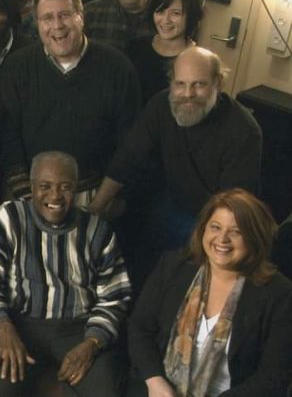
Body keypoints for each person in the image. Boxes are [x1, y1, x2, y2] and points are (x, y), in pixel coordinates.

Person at [89, 47, 262, 281]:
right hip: (172, 202)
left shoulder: (244, 131)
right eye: (180, 84)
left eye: (199, 85)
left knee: (177, 274)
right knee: (129, 247)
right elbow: (128, 158)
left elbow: (231, 209)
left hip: (213, 218)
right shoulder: (162, 105)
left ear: (218, 83)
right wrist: (96, 210)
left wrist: (206, 242)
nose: (187, 94)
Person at [0, 151, 132, 397]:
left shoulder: (97, 230)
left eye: (65, 187)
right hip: (17, 324)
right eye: (45, 186)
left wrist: (92, 343)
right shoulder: (8, 218)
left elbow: (115, 295)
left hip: (78, 329)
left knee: (105, 391)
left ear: (76, 189)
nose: (55, 196)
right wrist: (3, 328)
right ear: (32, 187)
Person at [128, 189, 292, 397]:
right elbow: (140, 327)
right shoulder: (174, 265)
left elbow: (273, 377)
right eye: (215, 227)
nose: (222, 239)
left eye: (236, 231)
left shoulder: (280, 293)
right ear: (203, 229)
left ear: (255, 237)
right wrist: (155, 380)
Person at [0, 0, 140, 205]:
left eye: (64, 15)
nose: (57, 26)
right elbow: (6, 136)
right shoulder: (16, 67)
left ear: (81, 18)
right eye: (47, 18)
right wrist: (27, 198)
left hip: (94, 194)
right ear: (38, 23)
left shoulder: (117, 68)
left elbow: (129, 144)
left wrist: (101, 203)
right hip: (29, 194)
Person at [126, 0, 203, 103]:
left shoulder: (198, 62)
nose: (166, 20)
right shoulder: (134, 47)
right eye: (160, 11)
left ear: (191, 15)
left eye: (175, 13)